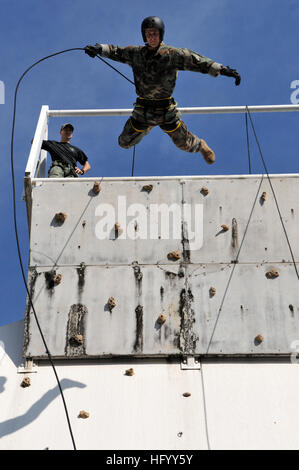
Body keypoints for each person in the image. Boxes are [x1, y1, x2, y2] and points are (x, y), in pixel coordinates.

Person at [84, 16, 240, 165]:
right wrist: (98, 49)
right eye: (148, 34)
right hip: (143, 109)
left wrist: (223, 70)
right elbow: (115, 51)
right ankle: (148, 126)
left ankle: (201, 145)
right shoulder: (136, 54)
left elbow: (197, 61)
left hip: (166, 110)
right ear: (144, 36)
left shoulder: (173, 55)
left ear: (161, 34)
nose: (152, 37)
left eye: (155, 34)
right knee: (124, 142)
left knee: (183, 144)